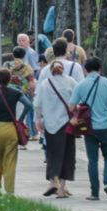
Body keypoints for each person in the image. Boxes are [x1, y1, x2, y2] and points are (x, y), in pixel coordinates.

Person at [75, 56, 107, 200]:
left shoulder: (81, 85)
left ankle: (94, 193)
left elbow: (71, 106)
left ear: (85, 70)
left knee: (92, 160)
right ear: (100, 69)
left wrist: (82, 108)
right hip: (106, 126)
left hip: (89, 128)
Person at [0, 68, 30, 195]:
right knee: (10, 161)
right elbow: (28, 105)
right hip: (11, 129)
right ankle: (9, 190)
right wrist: (20, 119)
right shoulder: (16, 92)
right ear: (10, 80)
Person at [36, 53, 79, 198]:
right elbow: (77, 102)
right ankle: (62, 188)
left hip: (50, 124)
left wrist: (38, 120)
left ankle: (54, 180)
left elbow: (38, 104)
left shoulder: (45, 83)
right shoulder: (71, 82)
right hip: (67, 123)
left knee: (53, 153)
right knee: (67, 154)